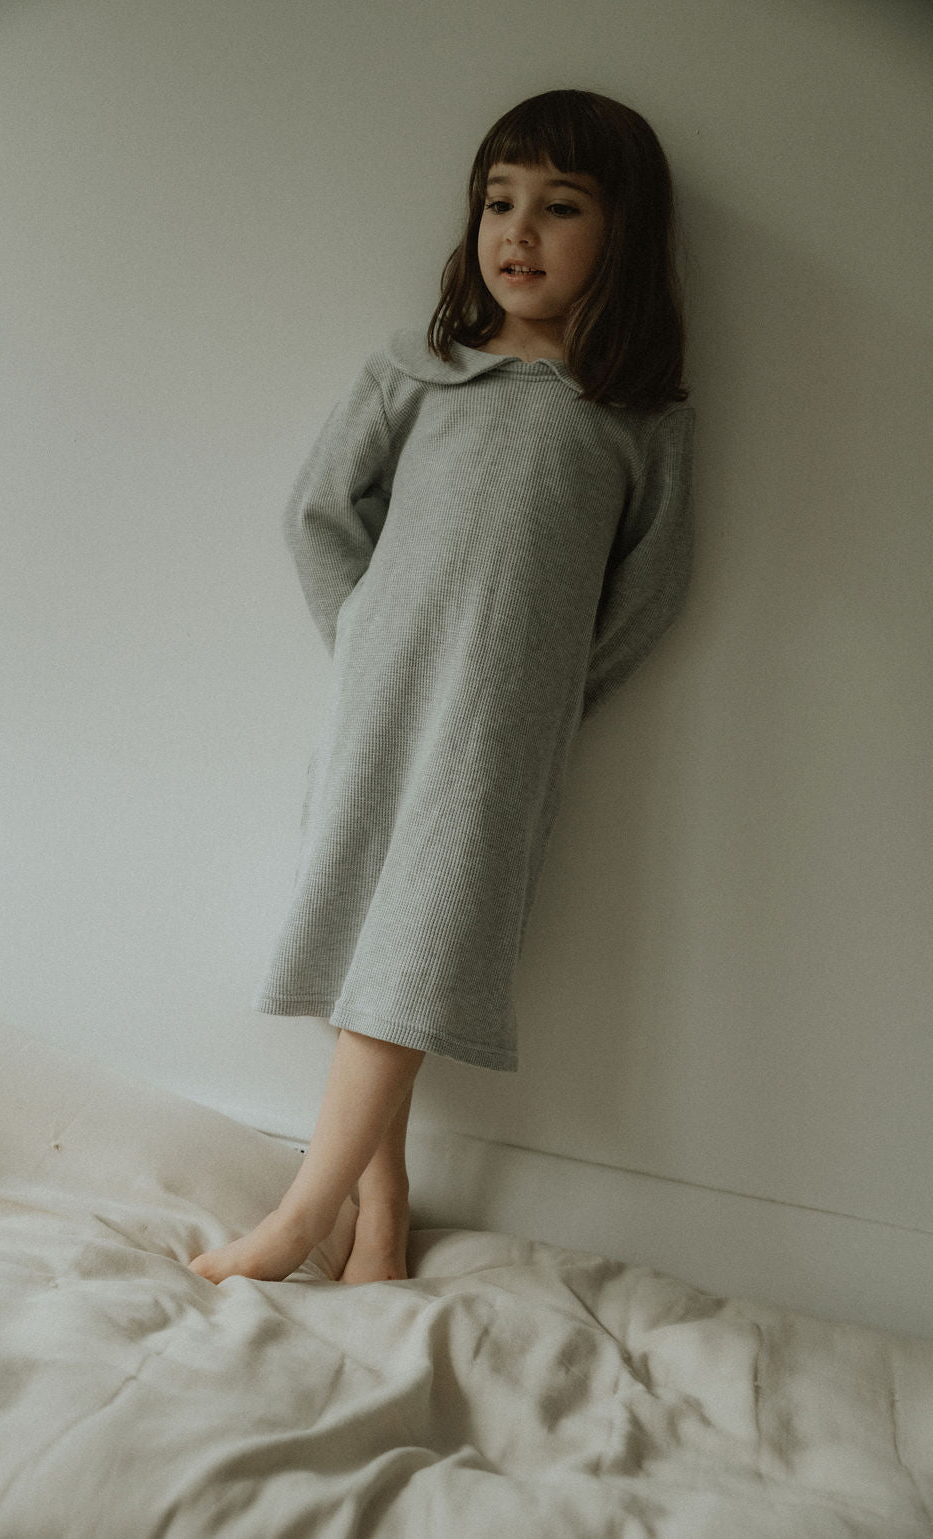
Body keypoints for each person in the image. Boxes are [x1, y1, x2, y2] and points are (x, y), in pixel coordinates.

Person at [188, 87, 695, 1288]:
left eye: (558, 207)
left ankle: (301, 1213)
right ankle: (382, 1196)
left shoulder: (637, 419)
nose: (516, 230)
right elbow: (318, 513)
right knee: (356, 926)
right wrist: (363, 632)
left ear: (620, 235)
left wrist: (548, 687)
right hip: (381, 696)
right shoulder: (414, 373)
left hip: (504, 726)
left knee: (420, 944)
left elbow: (652, 592)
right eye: (497, 201)